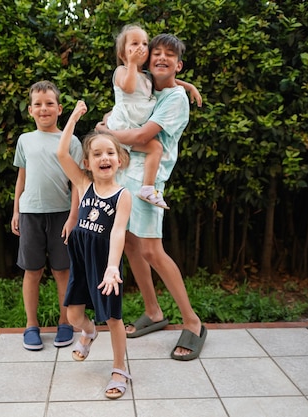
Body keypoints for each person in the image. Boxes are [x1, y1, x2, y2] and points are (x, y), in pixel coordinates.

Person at [96, 33, 207, 361]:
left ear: (178, 63)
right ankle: (153, 311)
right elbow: (140, 90)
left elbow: (145, 135)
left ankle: (193, 321)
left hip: (148, 181)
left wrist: (107, 134)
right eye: (155, 53)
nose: (160, 58)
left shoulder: (175, 99)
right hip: (122, 175)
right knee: (129, 243)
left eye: (168, 55)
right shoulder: (148, 85)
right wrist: (186, 82)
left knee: (151, 249)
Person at [57, 100, 133, 399]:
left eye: (110, 153)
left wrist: (113, 266)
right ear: (87, 162)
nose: (105, 157)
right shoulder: (83, 184)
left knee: (113, 318)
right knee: (74, 315)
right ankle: (88, 333)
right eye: (97, 153)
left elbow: (117, 231)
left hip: (105, 264)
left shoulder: (122, 195)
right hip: (80, 259)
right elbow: (62, 153)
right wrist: (74, 117)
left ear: (120, 160)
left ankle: (119, 369)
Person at [11, 80, 83, 351]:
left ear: (60, 108)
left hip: (62, 215)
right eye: (38, 105)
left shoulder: (70, 141)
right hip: (30, 214)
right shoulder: (25, 140)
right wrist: (16, 209)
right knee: (32, 271)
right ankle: (31, 326)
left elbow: (77, 182)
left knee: (63, 271)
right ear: (30, 110)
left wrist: (73, 216)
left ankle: (66, 323)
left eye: (49, 103)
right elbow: (22, 176)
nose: (44, 109)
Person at [107, 24, 202, 210]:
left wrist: (189, 86)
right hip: (124, 125)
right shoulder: (122, 72)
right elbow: (128, 88)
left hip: (133, 130)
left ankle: (147, 187)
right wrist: (132, 63)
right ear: (122, 54)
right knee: (154, 147)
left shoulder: (148, 77)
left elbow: (169, 78)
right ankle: (148, 188)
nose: (141, 47)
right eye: (134, 44)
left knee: (153, 148)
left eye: (144, 43)